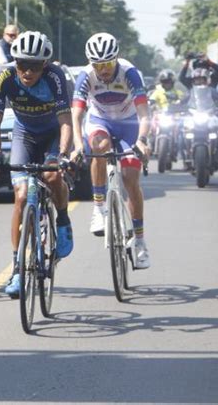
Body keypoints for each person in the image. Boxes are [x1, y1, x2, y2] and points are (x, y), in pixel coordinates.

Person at [0, 30, 74, 298]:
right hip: (24, 135)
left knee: (51, 177)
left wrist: (61, 155)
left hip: (52, 135)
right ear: (15, 62)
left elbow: (66, 122)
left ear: (44, 65)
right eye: (22, 64)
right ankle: (16, 269)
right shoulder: (4, 75)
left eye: (34, 66)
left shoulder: (55, 77)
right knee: (21, 196)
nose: (27, 71)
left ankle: (62, 220)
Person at [70, 32, 150, 269]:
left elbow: (145, 114)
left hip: (130, 123)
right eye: (98, 65)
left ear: (116, 59)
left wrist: (143, 140)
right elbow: (76, 116)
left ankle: (140, 240)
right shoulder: (86, 76)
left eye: (107, 64)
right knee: (99, 148)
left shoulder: (130, 73)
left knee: (130, 178)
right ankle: (99, 208)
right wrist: (77, 146)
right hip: (100, 121)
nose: (103, 70)